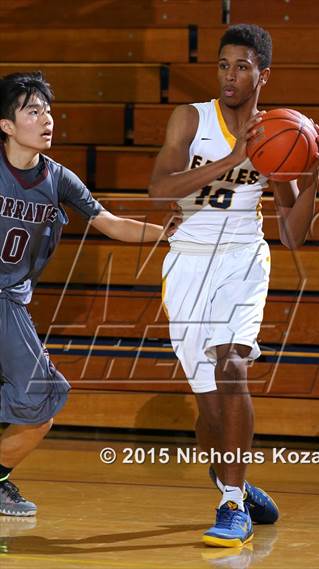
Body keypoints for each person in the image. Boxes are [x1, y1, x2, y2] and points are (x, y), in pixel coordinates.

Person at [149, 23, 319, 548]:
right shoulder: (191, 119)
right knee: (208, 407)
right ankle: (235, 482)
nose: (230, 75)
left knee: (232, 367)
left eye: (242, 66)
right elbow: (160, 191)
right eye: (224, 65)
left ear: (262, 74)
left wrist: (313, 174)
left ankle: (230, 504)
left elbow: (293, 235)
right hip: (187, 263)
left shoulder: (279, 132)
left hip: (244, 258)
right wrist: (230, 162)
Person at [0, 71, 174, 517]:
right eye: (33, 111)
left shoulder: (58, 180)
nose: (46, 119)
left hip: (12, 302)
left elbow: (112, 224)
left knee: (42, 404)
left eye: (48, 111)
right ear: (6, 124)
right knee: (42, 393)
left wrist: (173, 235)